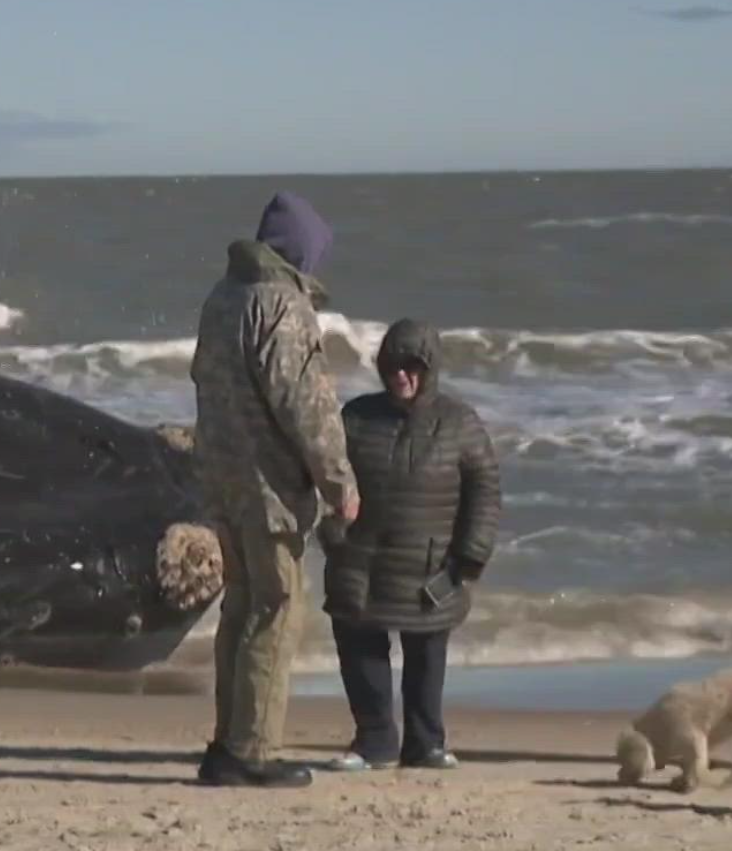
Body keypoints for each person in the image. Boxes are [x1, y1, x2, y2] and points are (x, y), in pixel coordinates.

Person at [190, 192, 359, 788]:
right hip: (268, 490)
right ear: (300, 253)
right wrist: (339, 480)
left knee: (240, 609)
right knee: (277, 609)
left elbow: (205, 388)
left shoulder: (222, 299)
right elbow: (304, 406)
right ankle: (252, 750)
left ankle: (225, 743)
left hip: (222, 481)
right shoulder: (282, 307)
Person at [318, 318, 501, 771]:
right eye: (393, 366)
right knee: (361, 650)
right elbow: (324, 477)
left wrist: (468, 558)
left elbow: (485, 492)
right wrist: (333, 532)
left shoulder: (460, 423)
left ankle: (426, 744)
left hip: (431, 565)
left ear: (430, 369)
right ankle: (374, 741)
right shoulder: (357, 418)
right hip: (360, 562)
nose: (401, 375)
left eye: (412, 367)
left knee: (426, 655)